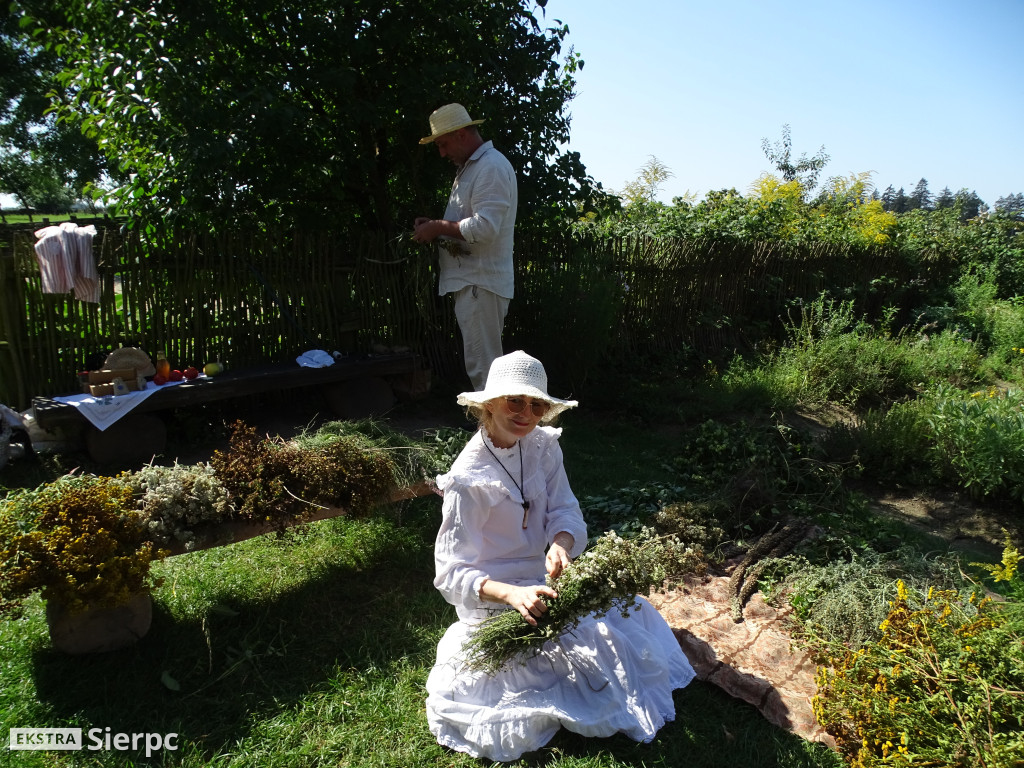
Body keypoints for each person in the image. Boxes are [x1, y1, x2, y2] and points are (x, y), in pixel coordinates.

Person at [426, 350, 695, 762]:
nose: (526, 413)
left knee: (620, 628)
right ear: (489, 404)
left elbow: (565, 509)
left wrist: (560, 545)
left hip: (545, 577)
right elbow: (450, 572)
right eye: (515, 401)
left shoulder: (542, 447)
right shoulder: (468, 479)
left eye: (536, 404)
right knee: (542, 664)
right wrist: (512, 595)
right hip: (497, 593)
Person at [413, 103, 518, 391]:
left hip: (479, 283)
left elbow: (484, 229)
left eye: (444, 144)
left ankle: (493, 434)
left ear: (461, 134)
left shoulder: (490, 167)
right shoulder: (473, 168)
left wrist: (437, 227)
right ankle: (494, 432)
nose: (442, 153)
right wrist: (437, 227)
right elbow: (469, 223)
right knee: (484, 364)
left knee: (484, 367)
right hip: (475, 283)